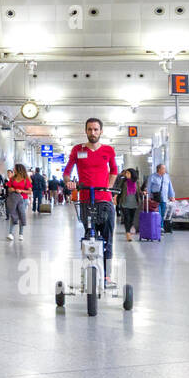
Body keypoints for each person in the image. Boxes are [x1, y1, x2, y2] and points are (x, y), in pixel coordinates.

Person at [64, 118, 119, 286]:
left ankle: (107, 275)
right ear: (85, 131)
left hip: (105, 200)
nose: (93, 132)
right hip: (87, 199)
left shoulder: (108, 150)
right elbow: (67, 171)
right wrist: (69, 182)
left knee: (107, 239)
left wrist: (108, 187)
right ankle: (86, 268)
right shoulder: (78, 150)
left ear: (101, 131)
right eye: (90, 129)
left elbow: (114, 170)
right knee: (89, 236)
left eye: (96, 129)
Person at [5, 164, 32, 242]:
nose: (13, 169)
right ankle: (10, 233)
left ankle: (21, 234)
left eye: (15, 168)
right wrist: (12, 189)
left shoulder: (26, 179)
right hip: (14, 199)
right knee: (13, 215)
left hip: (23, 199)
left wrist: (21, 191)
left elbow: (30, 191)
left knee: (21, 215)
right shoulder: (12, 179)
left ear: (19, 169)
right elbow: (9, 188)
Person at [115, 167, 141, 241]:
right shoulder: (123, 181)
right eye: (126, 173)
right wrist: (115, 197)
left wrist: (143, 192)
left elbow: (139, 191)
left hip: (134, 203)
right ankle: (128, 233)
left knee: (132, 219)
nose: (126, 174)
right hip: (124, 203)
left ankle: (129, 230)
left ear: (132, 174)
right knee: (127, 218)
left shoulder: (136, 182)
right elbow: (118, 189)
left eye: (128, 173)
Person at [148, 163, 175, 229]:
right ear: (159, 169)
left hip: (164, 198)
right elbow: (149, 187)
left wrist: (172, 196)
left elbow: (170, 187)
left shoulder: (167, 176)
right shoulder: (152, 177)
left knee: (163, 213)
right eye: (163, 168)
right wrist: (148, 197)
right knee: (158, 213)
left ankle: (161, 226)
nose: (165, 170)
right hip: (155, 198)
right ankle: (159, 227)